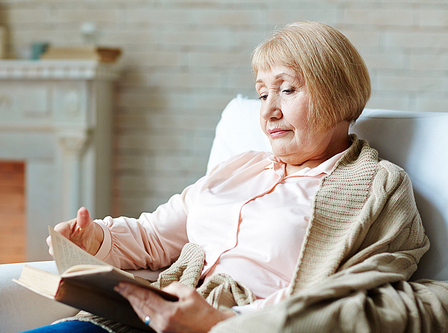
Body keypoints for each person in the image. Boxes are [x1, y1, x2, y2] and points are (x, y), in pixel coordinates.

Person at [25, 21, 444, 333]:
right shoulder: (240, 167)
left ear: (338, 93)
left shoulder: (378, 184)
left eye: (287, 90)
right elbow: (154, 237)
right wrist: (95, 241)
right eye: (263, 93)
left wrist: (225, 320)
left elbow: (354, 293)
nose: (268, 111)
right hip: (150, 318)